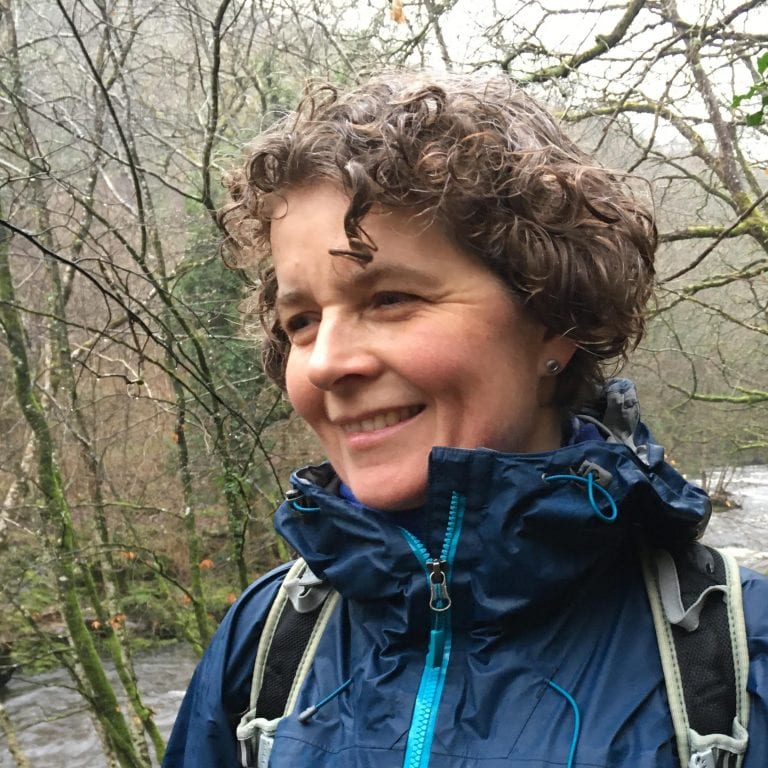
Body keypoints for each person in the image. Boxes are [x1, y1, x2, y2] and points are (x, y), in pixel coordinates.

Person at [163, 72, 768, 768]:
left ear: (553, 318)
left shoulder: (732, 658)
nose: (325, 362)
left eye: (388, 298)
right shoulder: (267, 641)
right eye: (300, 320)